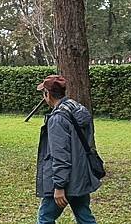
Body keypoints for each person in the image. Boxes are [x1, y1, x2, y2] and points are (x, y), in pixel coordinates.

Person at [35, 75, 100, 224]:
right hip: (83, 176)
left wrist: (59, 186)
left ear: (48, 94)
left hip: (67, 181)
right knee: (84, 216)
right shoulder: (78, 109)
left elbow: (60, 156)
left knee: (45, 217)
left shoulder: (57, 119)